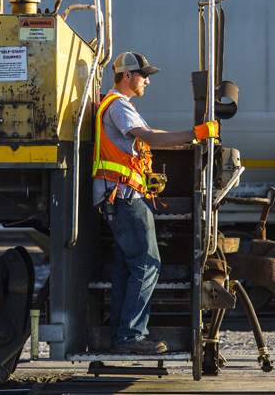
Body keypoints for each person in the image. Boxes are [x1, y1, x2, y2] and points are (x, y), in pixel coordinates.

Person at [92, 51, 219, 355]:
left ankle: (121, 334)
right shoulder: (119, 106)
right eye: (143, 75)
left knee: (127, 267)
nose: (147, 80)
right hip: (124, 198)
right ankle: (130, 336)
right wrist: (199, 133)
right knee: (148, 265)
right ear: (127, 76)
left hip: (118, 197)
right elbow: (151, 139)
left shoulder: (118, 106)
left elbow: (154, 135)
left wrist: (190, 140)